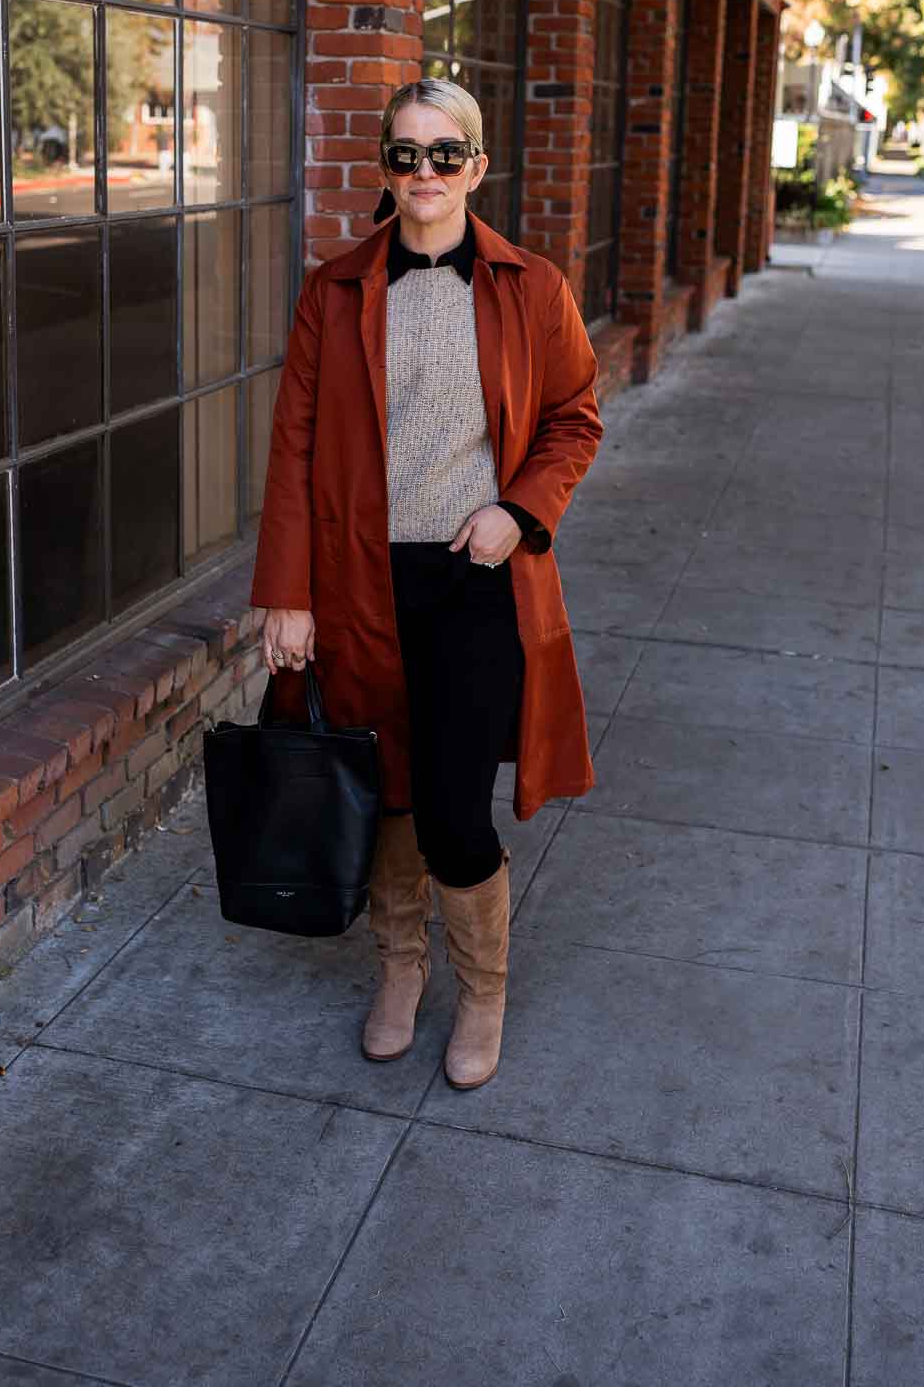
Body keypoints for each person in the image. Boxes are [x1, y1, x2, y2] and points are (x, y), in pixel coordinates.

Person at [251, 79, 603, 1090]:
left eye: (444, 155)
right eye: (404, 155)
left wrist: (519, 511)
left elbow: (576, 417)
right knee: (390, 798)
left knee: (453, 809)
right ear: (385, 169)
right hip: (362, 586)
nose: (424, 174)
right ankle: (399, 972)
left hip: (477, 582)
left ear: (477, 168)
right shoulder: (337, 290)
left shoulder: (528, 287)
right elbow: (295, 447)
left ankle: (482, 989)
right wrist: (288, 593)